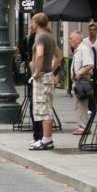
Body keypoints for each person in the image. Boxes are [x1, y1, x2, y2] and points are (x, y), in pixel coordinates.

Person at [29, 12, 59, 151]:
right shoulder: (50, 37)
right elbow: (59, 56)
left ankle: (46, 139)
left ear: (36, 23)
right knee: (44, 106)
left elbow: (40, 54)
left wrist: (36, 72)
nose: (31, 25)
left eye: (32, 22)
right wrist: (51, 69)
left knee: (43, 109)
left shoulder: (41, 37)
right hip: (47, 75)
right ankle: (44, 139)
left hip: (41, 77)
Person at [70, 31, 93, 135]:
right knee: (77, 104)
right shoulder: (77, 50)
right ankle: (81, 126)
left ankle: (84, 127)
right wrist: (72, 73)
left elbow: (90, 65)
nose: (69, 41)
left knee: (81, 105)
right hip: (77, 81)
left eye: (71, 38)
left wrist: (79, 74)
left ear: (78, 39)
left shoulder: (83, 49)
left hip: (82, 81)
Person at [85, 22, 97, 110]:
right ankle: (91, 107)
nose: (92, 32)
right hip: (88, 67)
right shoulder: (85, 41)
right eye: (90, 30)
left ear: (96, 31)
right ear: (88, 31)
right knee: (90, 87)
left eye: (94, 30)